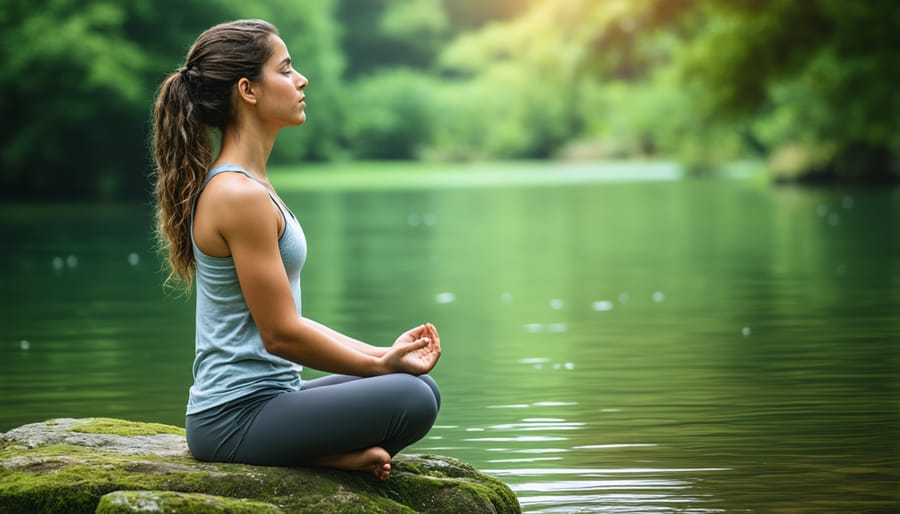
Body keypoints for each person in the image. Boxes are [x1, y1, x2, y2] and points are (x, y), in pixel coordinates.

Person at [151, 19, 441, 481]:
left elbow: (290, 325)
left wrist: (384, 356)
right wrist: (378, 363)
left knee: (418, 383)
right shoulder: (237, 195)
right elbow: (281, 334)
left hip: (272, 398)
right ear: (247, 89)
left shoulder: (251, 185)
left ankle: (322, 454)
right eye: (285, 70)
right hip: (232, 418)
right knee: (412, 398)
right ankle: (319, 457)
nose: (301, 79)